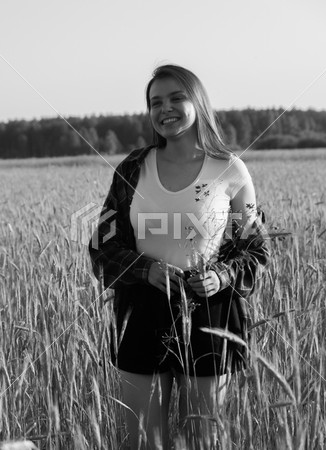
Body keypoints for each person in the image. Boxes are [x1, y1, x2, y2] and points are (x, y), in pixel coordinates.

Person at [89, 64, 270, 449]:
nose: (164, 109)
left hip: (211, 314)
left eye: (175, 98)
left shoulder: (230, 169)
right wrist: (145, 269)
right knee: (141, 442)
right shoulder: (132, 169)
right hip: (138, 313)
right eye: (155, 102)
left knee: (204, 441)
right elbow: (102, 243)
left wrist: (220, 276)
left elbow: (255, 248)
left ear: (198, 102)